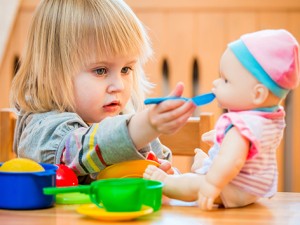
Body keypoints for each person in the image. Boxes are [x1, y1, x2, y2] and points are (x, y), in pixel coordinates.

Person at [10, 0, 196, 184]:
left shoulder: (125, 116)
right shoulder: (42, 129)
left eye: (126, 69)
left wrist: (170, 176)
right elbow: (80, 150)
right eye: (101, 70)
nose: (119, 86)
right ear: (51, 73)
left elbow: (161, 167)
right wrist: (144, 125)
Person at [144, 29, 300, 210]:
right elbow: (249, 151)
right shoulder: (270, 119)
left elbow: (232, 160)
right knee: (212, 167)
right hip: (251, 189)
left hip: (232, 187)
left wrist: (210, 185)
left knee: (193, 183)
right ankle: (205, 165)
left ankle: (166, 183)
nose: (216, 84)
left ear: (257, 94)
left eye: (226, 80)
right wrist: (222, 140)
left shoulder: (240, 127)